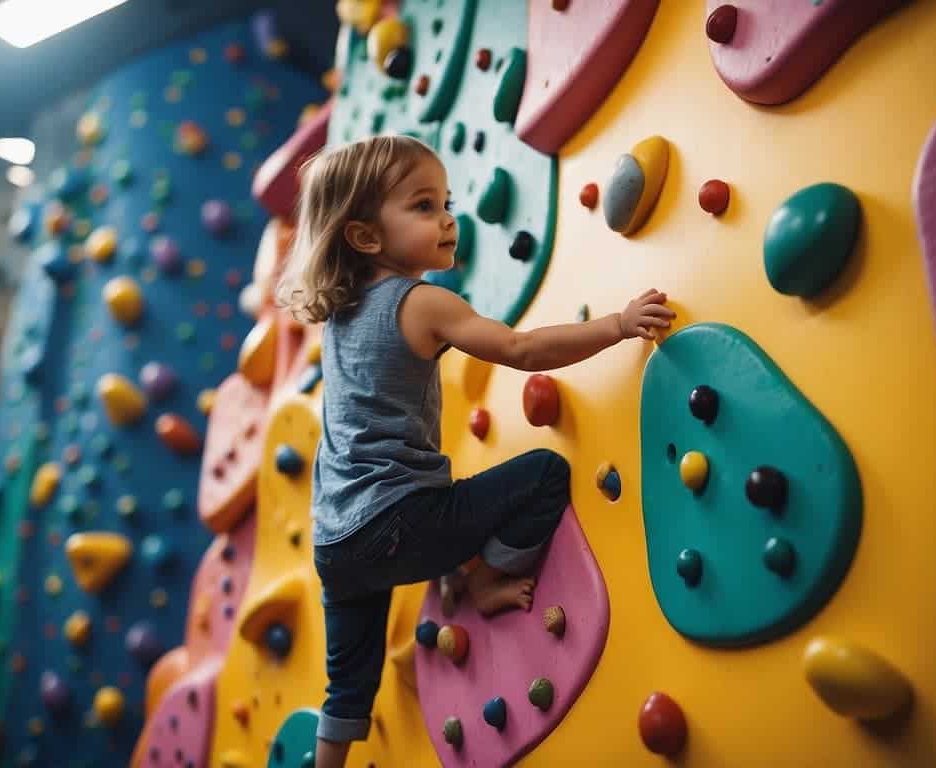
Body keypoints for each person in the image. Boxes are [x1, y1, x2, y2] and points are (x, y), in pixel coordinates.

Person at [275, 135, 673, 767]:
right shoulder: (422, 301)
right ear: (366, 238)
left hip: (336, 544)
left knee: (347, 684)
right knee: (542, 475)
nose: (447, 219)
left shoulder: (341, 317)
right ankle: (484, 574)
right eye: (424, 205)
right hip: (398, 523)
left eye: (446, 202)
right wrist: (616, 325)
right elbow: (521, 350)